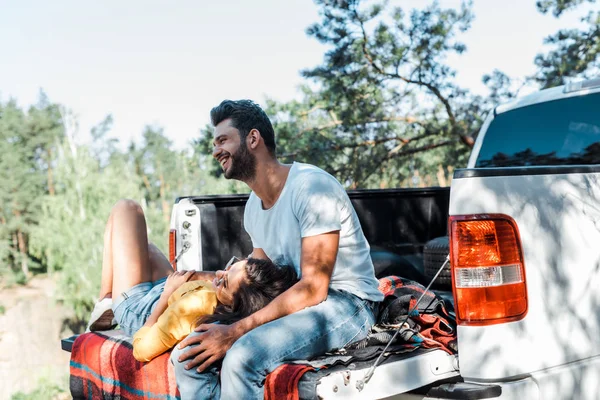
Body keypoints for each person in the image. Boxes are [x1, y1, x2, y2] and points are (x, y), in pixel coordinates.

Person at [170, 100, 384, 400]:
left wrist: (235, 332)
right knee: (187, 356)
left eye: (222, 140)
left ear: (253, 139)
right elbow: (262, 269)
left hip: (349, 303)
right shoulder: (252, 208)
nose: (215, 150)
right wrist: (217, 283)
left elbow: (313, 288)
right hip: (303, 301)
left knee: (242, 356)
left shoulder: (310, 187)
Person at [85, 199, 298, 362]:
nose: (219, 273)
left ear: (233, 303)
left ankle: (106, 299)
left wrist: (168, 293)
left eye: (224, 282)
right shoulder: (240, 299)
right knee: (145, 249)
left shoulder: (191, 309)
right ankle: (110, 298)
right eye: (231, 266)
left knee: (126, 209)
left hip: (140, 309)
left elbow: (141, 350)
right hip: (169, 292)